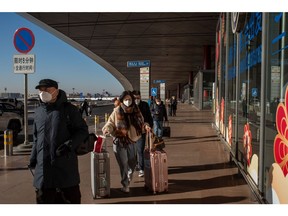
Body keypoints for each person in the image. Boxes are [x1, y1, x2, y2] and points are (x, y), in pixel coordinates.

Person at [28, 79, 89, 204]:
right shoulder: (39, 111)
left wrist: (69, 145)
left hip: (66, 171)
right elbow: (36, 138)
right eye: (41, 90)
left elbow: (83, 131)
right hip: (43, 173)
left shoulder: (70, 110)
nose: (43, 92)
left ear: (56, 91)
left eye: (47, 89)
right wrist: (33, 158)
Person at [102, 90, 151, 193]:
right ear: (122, 100)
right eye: (126, 99)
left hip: (132, 141)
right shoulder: (117, 111)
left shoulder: (136, 111)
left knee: (132, 163)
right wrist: (107, 129)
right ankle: (125, 184)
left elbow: (142, 122)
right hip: (120, 141)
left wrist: (146, 126)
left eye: (129, 99)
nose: (128, 101)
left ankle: (129, 174)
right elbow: (110, 123)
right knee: (123, 163)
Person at [132, 90, 153, 177]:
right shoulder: (130, 106)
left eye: (137, 97)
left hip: (142, 132)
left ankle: (141, 168)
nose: (136, 99)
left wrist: (148, 125)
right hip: (131, 133)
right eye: (134, 98)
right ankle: (136, 164)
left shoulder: (144, 105)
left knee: (140, 150)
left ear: (140, 97)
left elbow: (148, 117)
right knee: (133, 151)